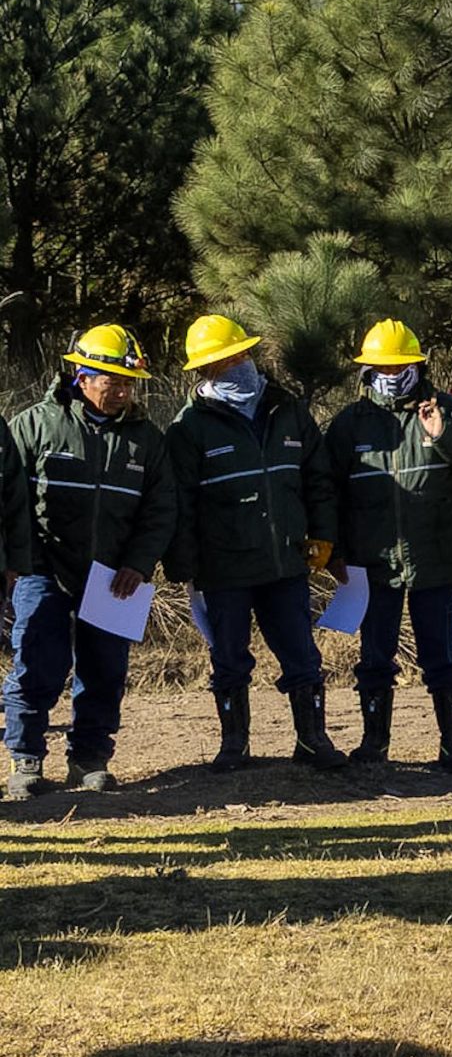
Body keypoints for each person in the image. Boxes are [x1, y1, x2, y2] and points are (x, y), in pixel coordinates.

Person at [164, 315, 343, 771]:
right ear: (202, 371)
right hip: (222, 569)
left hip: (285, 561)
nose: (230, 366)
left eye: (236, 355)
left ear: (249, 353)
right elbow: (179, 503)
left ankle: (312, 741)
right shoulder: (188, 429)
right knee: (228, 659)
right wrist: (183, 565)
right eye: (217, 363)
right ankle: (234, 747)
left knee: (302, 654)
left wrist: (324, 538)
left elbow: (318, 479)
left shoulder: (288, 411)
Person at [324, 319, 452, 771]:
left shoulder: (444, 408)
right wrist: (336, 551)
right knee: (374, 658)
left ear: (417, 365)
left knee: (441, 657)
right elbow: (327, 490)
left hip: (436, 558)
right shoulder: (348, 424)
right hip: (373, 563)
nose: (391, 374)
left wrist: (444, 435)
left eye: (401, 365)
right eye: (382, 366)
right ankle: (373, 746)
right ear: (366, 370)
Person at [3, 327, 147, 798]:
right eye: (113, 382)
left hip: (115, 578)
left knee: (105, 670)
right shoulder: (33, 425)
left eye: (129, 383)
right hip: (41, 570)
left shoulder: (147, 439)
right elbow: (10, 498)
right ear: (82, 376)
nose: (123, 391)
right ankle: (26, 760)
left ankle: (89, 759)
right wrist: (18, 560)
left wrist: (139, 564)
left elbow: (161, 508)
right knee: (36, 664)